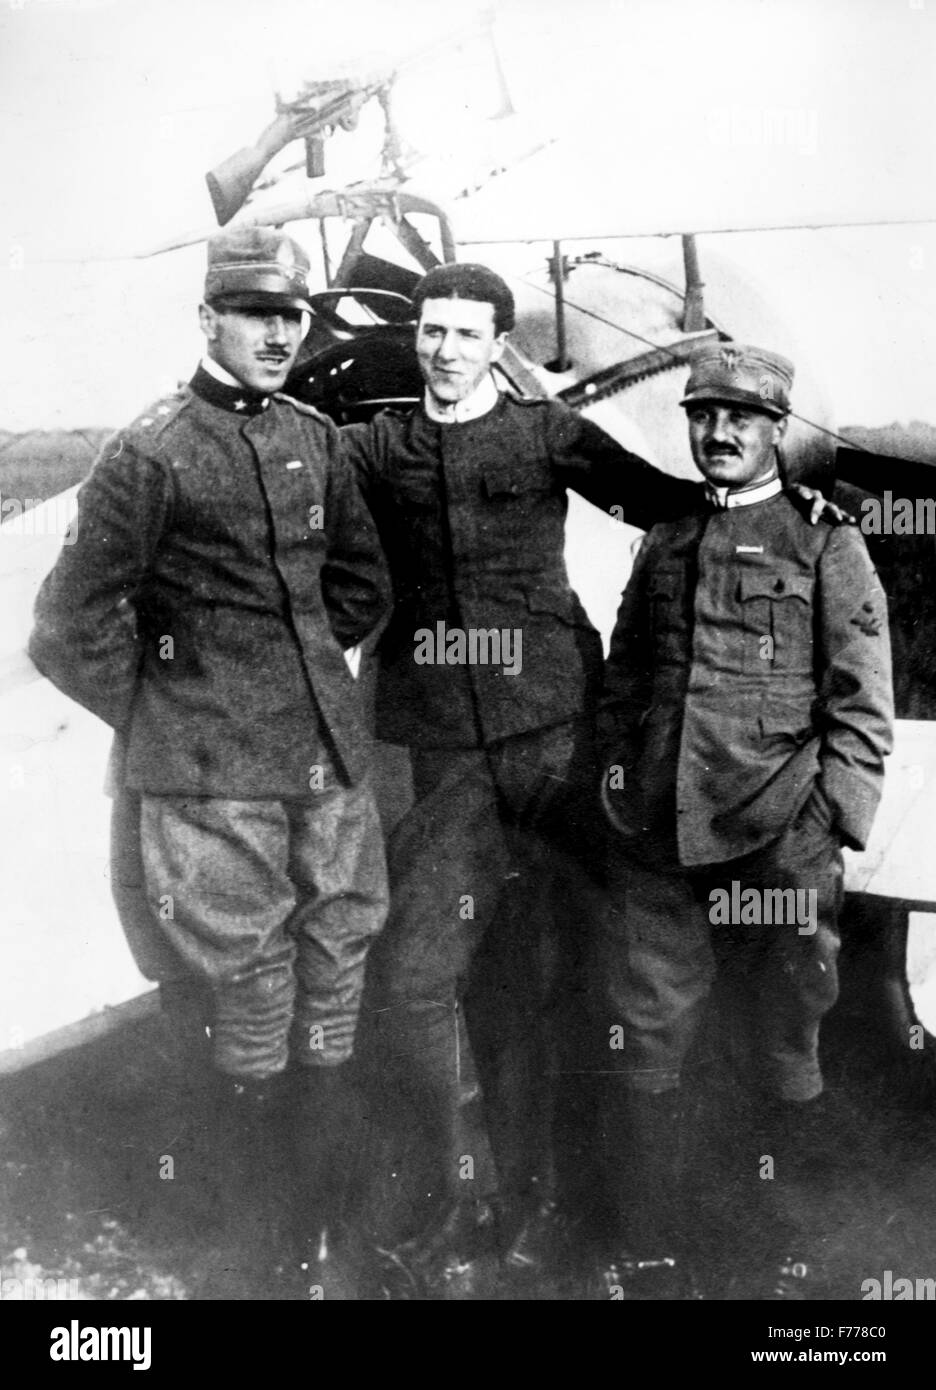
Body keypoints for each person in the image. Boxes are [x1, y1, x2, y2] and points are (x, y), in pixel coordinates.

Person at [341, 265, 844, 1297]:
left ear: (495, 344)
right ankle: (470, 1189)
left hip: (561, 739)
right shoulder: (372, 447)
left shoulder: (544, 435)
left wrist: (792, 496)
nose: (442, 350)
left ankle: (627, 1199)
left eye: (464, 334)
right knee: (419, 978)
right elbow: (285, 481)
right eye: (430, 333)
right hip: (450, 756)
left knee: (610, 967)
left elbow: (669, 497)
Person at [27, 227, 391, 1299]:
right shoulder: (150, 453)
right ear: (207, 320)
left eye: (293, 315)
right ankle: (259, 1248)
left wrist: (307, 671)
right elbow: (68, 624)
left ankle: (325, 1233)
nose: (280, 333)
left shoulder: (315, 439)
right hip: (210, 776)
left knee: (338, 963)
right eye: (256, 313)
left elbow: (361, 583)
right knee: (249, 991)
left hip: (327, 765)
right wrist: (171, 714)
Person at [596, 342, 894, 1299]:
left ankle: (786, 1250)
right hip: (659, 826)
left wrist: (829, 824)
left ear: (776, 430)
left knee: (786, 1019)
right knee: (650, 1026)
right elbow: (627, 668)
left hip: (777, 832)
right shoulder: (669, 537)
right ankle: (654, 1243)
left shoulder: (826, 541)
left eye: (741, 420)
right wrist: (615, 776)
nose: (718, 435)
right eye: (703, 417)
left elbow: (862, 701)